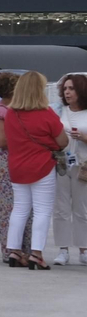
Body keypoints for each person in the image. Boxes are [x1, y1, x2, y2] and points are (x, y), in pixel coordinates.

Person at [4, 71, 66, 270]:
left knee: (20, 209)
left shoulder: (10, 113)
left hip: (17, 166)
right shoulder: (46, 113)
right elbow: (62, 141)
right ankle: (36, 254)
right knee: (42, 210)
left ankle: (14, 250)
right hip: (41, 166)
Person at [0, 71, 30, 261]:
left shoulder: (11, 110)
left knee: (20, 204)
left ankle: (21, 246)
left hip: (14, 158)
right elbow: (2, 141)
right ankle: (10, 248)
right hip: (6, 159)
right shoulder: (1, 112)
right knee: (8, 205)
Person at [52, 73, 87, 266]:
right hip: (61, 164)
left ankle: (83, 249)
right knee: (61, 208)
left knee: (82, 209)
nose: (67, 92)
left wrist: (83, 137)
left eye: (72, 88)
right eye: (65, 88)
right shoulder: (58, 111)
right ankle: (63, 249)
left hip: (83, 166)